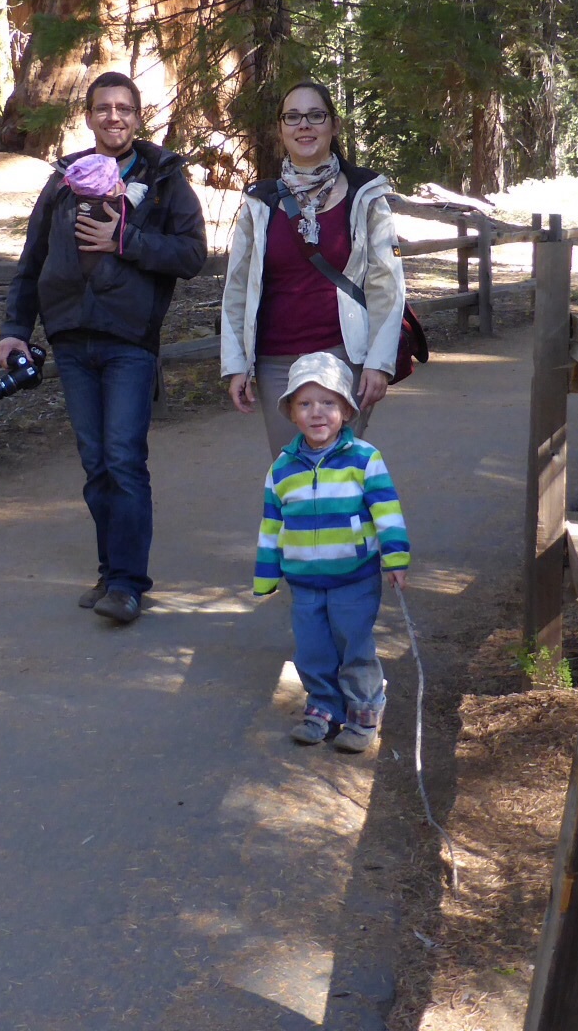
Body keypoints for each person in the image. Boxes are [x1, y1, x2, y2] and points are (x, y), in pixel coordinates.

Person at [0, 71, 208, 625]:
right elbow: (32, 260)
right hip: (71, 339)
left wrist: (126, 240)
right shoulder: (64, 180)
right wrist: (15, 327)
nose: (114, 116)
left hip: (128, 342)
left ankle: (127, 584)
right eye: (103, 108)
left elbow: (191, 255)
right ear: (88, 116)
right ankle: (111, 571)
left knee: (123, 459)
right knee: (95, 464)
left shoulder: (163, 179)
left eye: (124, 108)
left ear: (138, 117)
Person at [220, 81, 406, 454]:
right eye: (292, 117)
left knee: (341, 472)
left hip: (344, 356)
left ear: (334, 125)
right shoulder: (259, 202)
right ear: (280, 129)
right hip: (276, 363)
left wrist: (379, 362)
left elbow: (387, 285)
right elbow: (238, 287)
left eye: (315, 115)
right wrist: (236, 363)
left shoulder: (365, 194)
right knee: (292, 473)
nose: (303, 125)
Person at [251, 353, 409, 752]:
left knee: (354, 644)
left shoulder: (364, 460)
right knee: (312, 648)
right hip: (304, 580)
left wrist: (396, 557)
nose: (317, 412)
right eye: (305, 404)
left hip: (354, 577)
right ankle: (323, 704)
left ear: (346, 411)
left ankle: (364, 706)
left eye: (328, 402)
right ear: (291, 413)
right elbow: (272, 524)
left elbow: (387, 511)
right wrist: (266, 573)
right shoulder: (282, 469)